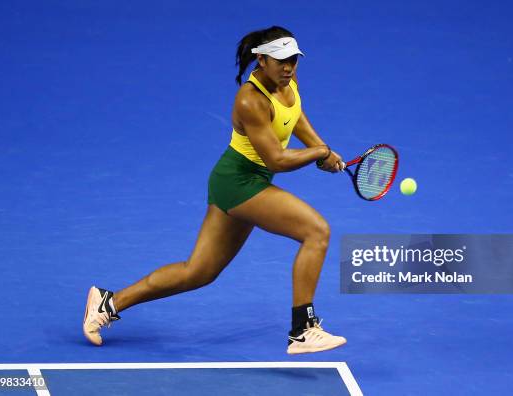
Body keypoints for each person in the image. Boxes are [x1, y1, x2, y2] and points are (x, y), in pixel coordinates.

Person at [83, 26, 346, 354]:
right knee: (316, 231)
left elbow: (296, 118)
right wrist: (319, 154)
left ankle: (108, 303)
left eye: (293, 59)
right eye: (280, 60)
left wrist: (321, 146)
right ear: (261, 59)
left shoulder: (287, 83)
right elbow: (276, 159)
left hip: (241, 181)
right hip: (239, 183)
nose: (288, 66)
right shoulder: (250, 100)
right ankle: (303, 329)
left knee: (198, 272)